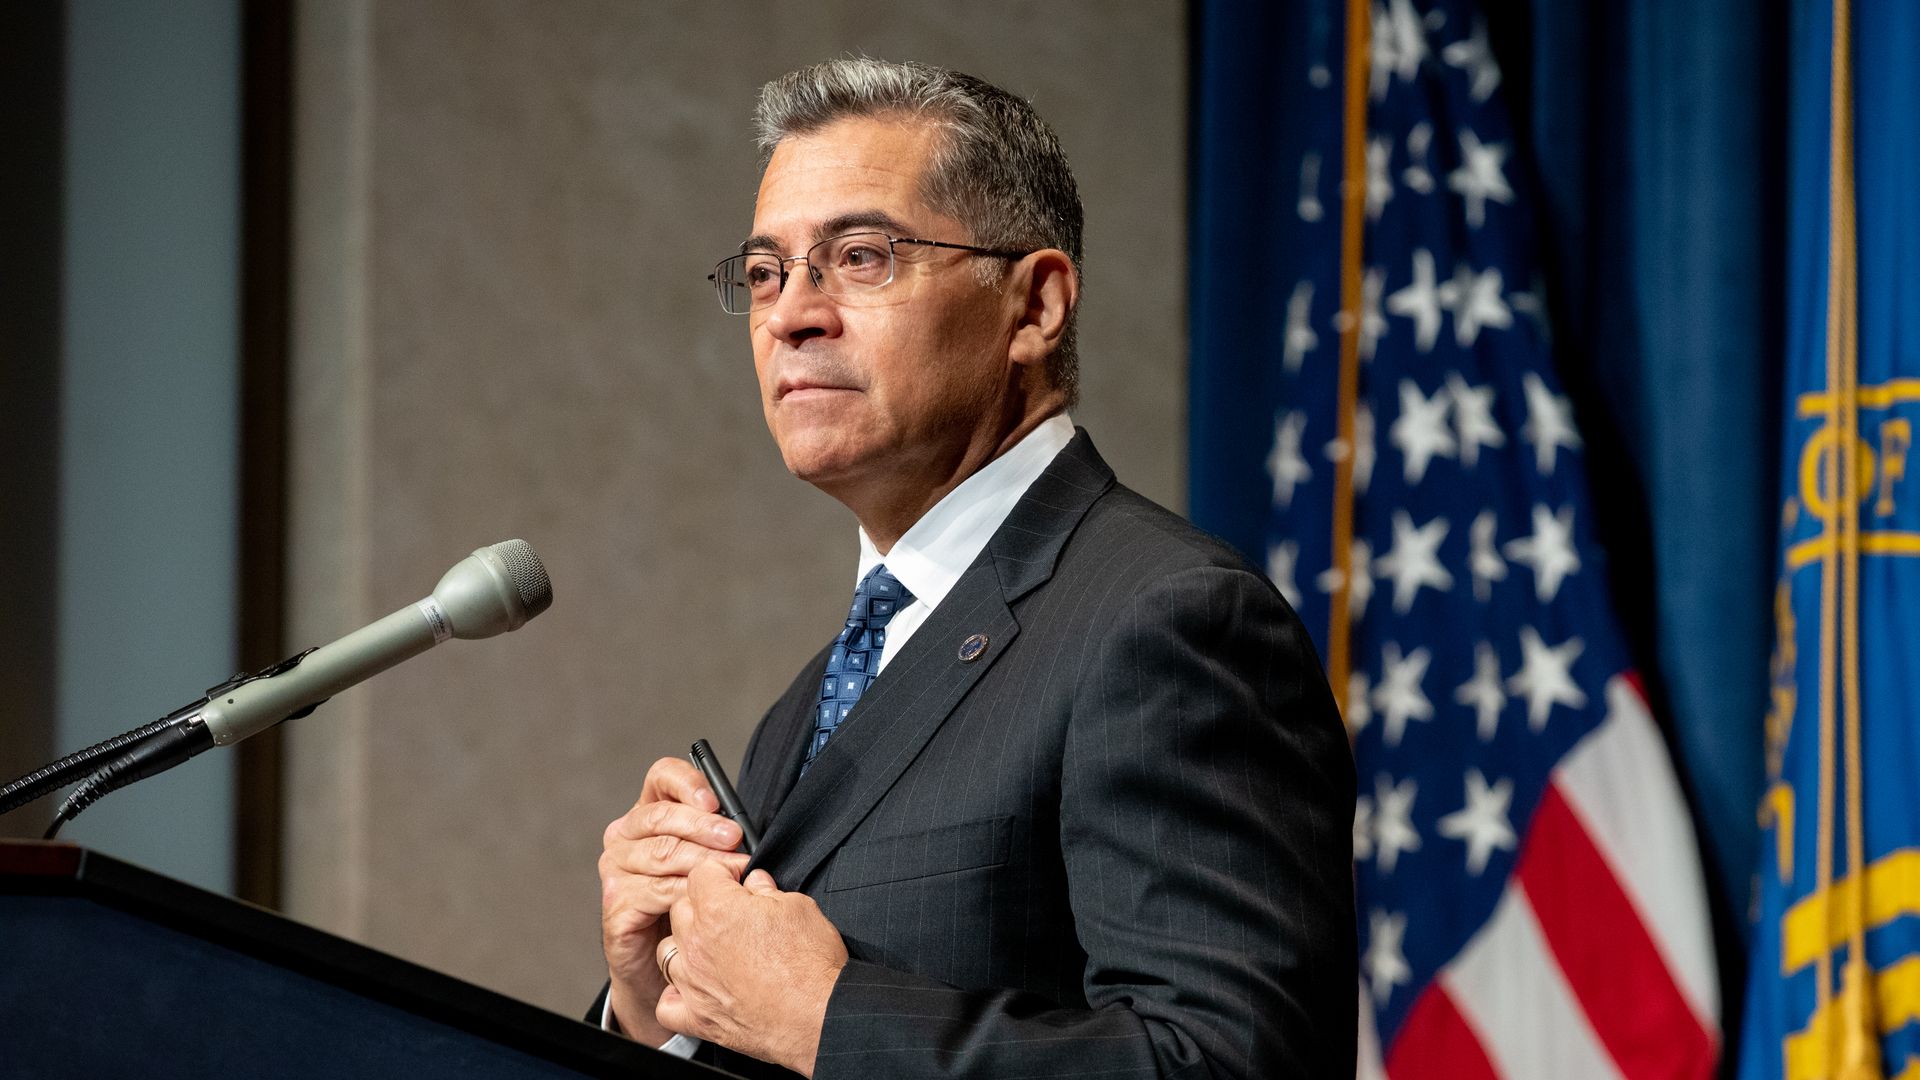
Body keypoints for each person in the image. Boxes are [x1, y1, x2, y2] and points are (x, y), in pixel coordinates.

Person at [595, 58, 1355, 1080]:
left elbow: (1229, 1064)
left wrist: (831, 1018)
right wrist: (662, 1006)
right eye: (767, 271)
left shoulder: (1168, 623)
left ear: (1034, 307)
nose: (790, 314)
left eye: (859, 257)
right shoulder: (803, 710)